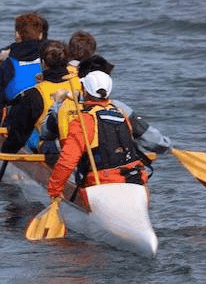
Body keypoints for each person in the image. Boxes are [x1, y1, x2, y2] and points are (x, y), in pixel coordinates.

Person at [47, 70, 154, 201]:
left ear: (85, 91)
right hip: (134, 178)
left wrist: (54, 191)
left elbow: (67, 162)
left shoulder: (84, 121)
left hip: (102, 183)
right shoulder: (121, 115)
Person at [0, 12, 47, 149]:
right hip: (56, 130)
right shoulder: (53, 61)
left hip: (24, 135)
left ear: (17, 35)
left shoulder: (4, 69)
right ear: (40, 35)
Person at [0, 40, 79, 155]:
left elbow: (18, 135)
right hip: (82, 144)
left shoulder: (33, 95)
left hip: (54, 151)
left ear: (43, 63)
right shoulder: (80, 82)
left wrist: (5, 151)